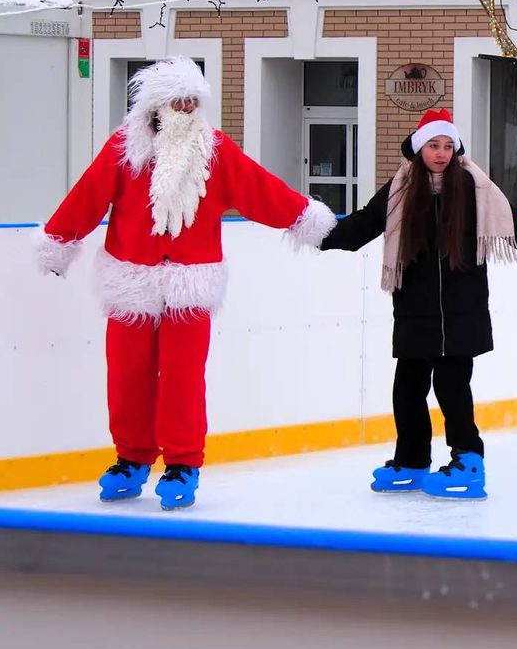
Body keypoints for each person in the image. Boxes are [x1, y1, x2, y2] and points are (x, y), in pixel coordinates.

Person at [34, 57, 336, 510]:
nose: (187, 108)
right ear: (155, 106)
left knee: (182, 377)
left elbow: (260, 190)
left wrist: (306, 219)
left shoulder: (215, 150)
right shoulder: (125, 149)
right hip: (130, 280)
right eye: (179, 101)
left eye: (193, 101)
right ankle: (131, 457)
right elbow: (88, 196)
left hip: (190, 283)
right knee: (127, 375)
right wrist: (58, 241)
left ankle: (182, 463)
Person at [320, 108, 517, 500]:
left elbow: (512, 222)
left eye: (448, 145)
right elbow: (361, 226)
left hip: (461, 306)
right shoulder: (400, 189)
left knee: (451, 386)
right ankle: (413, 460)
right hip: (415, 306)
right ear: (419, 148)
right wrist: (316, 231)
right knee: (408, 387)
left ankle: (468, 459)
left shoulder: (473, 186)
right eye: (434, 145)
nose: (442, 153)